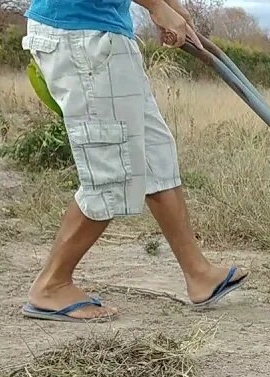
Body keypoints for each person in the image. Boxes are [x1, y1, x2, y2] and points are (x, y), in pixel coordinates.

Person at [19, 0, 248, 322]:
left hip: (104, 33)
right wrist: (157, 7)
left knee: (158, 157)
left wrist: (172, 7)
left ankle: (199, 274)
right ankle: (51, 285)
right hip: (79, 34)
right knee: (111, 172)